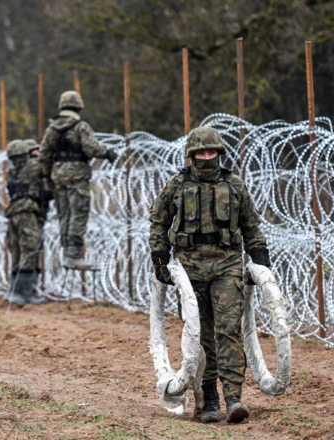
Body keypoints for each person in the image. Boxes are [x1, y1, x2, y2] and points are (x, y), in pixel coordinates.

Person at [148, 126, 271, 424]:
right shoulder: (176, 185)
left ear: (219, 153)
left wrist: (260, 263)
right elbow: (158, 224)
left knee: (228, 329)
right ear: (191, 155)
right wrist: (160, 259)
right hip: (189, 271)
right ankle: (209, 398)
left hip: (226, 266)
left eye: (211, 152)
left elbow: (251, 227)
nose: (206, 157)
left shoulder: (234, 185)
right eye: (200, 153)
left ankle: (233, 398)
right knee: (200, 337)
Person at [38, 91, 118, 270]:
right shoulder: (80, 126)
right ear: (79, 106)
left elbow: (43, 155)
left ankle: (68, 253)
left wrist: (48, 176)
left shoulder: (52, 129)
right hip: (77, 176)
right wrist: (107, 153)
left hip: (58, 177)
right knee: (78, 213)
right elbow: (90, 148)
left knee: (64, 215)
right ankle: (74, 256)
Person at [4, 139, 52, 306]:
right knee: (29, 249)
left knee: (17, 251)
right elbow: (46, 163)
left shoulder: (12, 172)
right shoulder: (32, 166)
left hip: (13, 214)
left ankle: (15, 291)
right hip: (27, 212)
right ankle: (25, 292)